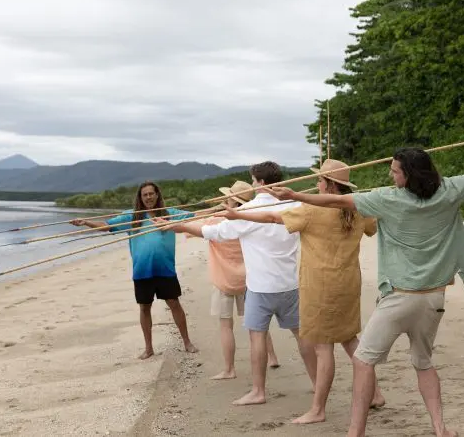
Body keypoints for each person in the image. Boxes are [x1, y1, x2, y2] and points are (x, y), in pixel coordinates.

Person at [268, 124, 464, 437]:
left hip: (399, 298)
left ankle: (355, 432)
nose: (391, 176)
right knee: (423, 363)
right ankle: (440, 428)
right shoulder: (449, 190)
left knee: (363, 362)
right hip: (433, 298)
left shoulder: (388, 200)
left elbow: (337, 202)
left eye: (395, 171)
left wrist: (295, 194)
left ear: (409, 175)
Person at [218, 159, 386, 424]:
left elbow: (273, 218)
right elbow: (373, 228)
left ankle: (318, 409)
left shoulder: (312, 210)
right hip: (348, 284)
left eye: (320, 180)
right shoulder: (359, 207)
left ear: (330, 184)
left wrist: (239, 215)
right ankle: (375, 393)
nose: (316, 183)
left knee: (323, 347)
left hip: (321, 286)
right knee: (349, 339)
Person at [156, 161, 317, 406]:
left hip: (261, 287)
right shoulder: (294, 205)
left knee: (257, 337)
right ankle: (317, 383)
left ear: (261, 182)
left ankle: (259, 391)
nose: (252, 184)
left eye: (253, 180)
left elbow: (213, 233)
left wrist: (175, 226)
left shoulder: (249, 210)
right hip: (289, 283)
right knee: (300, 335)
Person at [71, 181, 208, 360]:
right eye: (145, 195)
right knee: (144, 308)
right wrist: (86, 222)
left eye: (151, 194)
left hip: (165, 269)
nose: (149, 197)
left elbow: (194, 216)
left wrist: (220, 209)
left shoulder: (169, 214)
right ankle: (149, 348)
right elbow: (107, 225)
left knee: (174, 303)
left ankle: (187, 342)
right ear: (140, 197)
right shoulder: (132, 218)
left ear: (157, 195)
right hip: (142, 271)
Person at [169, 180, 281, 380]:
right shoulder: (252, 219)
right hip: (249, 280)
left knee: (225, 325)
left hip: (225, 281)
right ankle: (272, 357)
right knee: (258, 324)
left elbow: (192, 229)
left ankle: (229, 369)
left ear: (232, 199)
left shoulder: (216, 222)